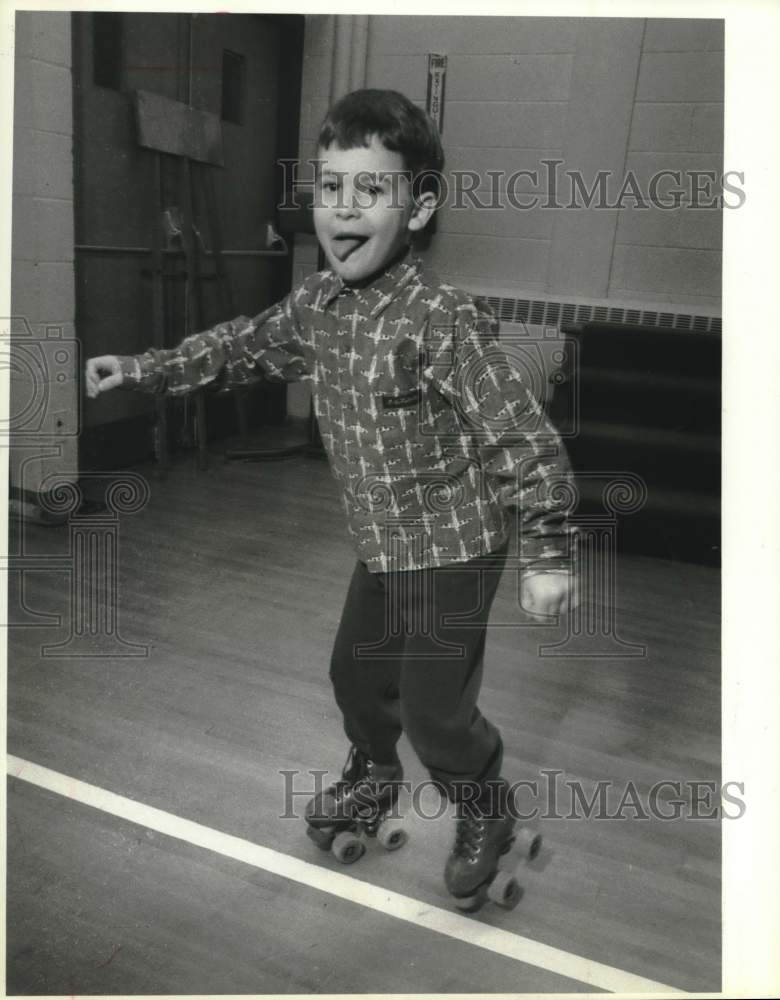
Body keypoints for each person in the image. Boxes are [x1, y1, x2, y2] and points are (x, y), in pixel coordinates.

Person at [85, 88, 577, 906]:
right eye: (330, 187)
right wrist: (146, 368)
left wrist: (550, 550)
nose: (343, 210)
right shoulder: (318, 305)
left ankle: (485, 811)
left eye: (370, 191)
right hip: (384, 543)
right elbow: (242, 347)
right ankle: (374, 775)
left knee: (435, 713)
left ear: (418, 209)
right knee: (354, 675)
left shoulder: (444, 320)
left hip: (456, 545)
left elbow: (523, 437)